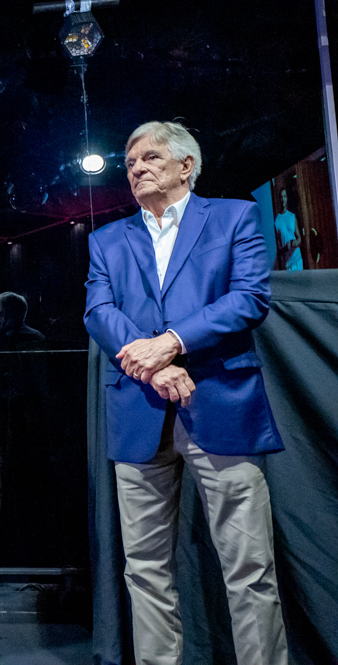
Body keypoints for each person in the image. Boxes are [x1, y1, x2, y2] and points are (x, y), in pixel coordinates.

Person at [84, 121, 288, 665]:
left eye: (150, 157)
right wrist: (155, 368)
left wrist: (171, 343)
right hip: (139, 410)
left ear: (186, 166)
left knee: (249, 567)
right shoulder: (107, 239)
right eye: (130, 163)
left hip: (219, 401)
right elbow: (99, 313)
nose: (137, 168)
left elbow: (249, 298)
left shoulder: (233, 217)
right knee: (144, 569)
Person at [273, 188, 303, 271]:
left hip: (297, 259)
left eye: (284, 196)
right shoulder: (276, 221)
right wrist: (285, 248)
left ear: (287, 198)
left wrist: (295, 242)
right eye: (281, 197)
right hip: (288, 264)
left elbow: (299, 238)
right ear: (279, 199)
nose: (283, 199)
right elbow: (278, 249)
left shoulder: (292, 216)